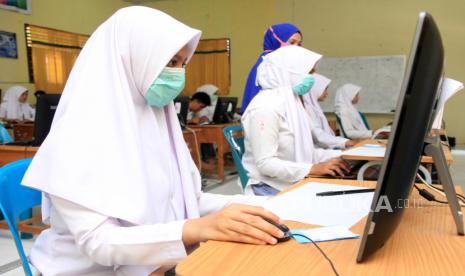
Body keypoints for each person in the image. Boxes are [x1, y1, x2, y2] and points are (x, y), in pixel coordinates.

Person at [22, 7, 285, 275]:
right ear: (130, 58)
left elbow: (185, 200)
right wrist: (195, 228)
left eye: (183, 63)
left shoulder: (157, 121)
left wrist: (255, 207)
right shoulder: (76, 135)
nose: (179, 73)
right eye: (171, 62)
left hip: (150, 264)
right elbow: (98, 243)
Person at [241, 46, 349, 196]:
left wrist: (343, 155)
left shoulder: (293, 103)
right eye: (310, 72)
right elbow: (266, 164)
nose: (313, 77)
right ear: (288, 72)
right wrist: (313, 169)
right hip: (271, 188)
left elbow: (304, 154)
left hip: (296, 180)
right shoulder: (265, 107)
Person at [240, 23, 302, 113]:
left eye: (299, 44)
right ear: (276, 40)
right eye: (292, 42)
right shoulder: (268, 64)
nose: (296, 47)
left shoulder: (284, 64)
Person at [302, 73, 358, 149]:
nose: (327, 93)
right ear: (316, 88)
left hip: (324, 150)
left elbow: (326, 135)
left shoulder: (315, 108)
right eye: (325, 89)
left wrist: (343, 142)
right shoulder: (307, 109)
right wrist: (344, 142)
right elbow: (318, 136)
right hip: (317, 152)